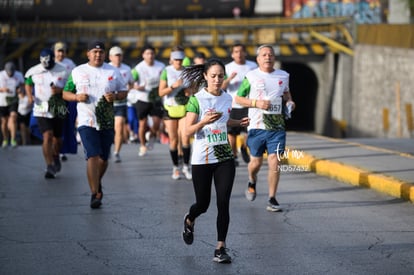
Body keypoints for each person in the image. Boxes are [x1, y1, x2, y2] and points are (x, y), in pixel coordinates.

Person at [180, 58, 249, 263]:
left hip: (224, 157)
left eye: (221, 76)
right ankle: (190, 218)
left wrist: (238, 121)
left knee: (223, 202)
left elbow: (224, 121)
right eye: (213, 76)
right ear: (205, 77)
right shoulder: (196, 99)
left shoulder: (227, 98)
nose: (218, 80)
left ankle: (220, 247)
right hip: (202, 159)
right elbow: (187, 131)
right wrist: (203, 121)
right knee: (203, 204)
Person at [62, 41, 127, 209]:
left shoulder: (113, 71)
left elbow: (124, 91)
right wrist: (76, 97)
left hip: (106, 121)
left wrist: (116, 96)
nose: (98, 54)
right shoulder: (78, 71)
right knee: (93, 156)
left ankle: (96, 181)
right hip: (86, 120)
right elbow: (65, 93)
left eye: (100, 52)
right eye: (94, 51)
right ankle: (95, 193)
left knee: (104, 159)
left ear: (105, 54)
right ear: (88, 54)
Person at [235, 44, 295, 212]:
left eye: (270, 54)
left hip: (277, 127)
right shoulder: (251, 76)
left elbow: (287, 95)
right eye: (264, 55)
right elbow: (239, 98)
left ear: (274, 58)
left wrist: (290, 103)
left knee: (275, 161)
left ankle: (272, 198)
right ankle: (252, 180)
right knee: (255, 163)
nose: (267, 57)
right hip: (256, 127)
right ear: (258, 59)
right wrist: (256, 103)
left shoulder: (283, 75)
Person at [25, 49, 70, 178]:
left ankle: (55, 156)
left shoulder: (63, 70)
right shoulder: (34, 71)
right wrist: (29, 96)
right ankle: (49, 166)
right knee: (47, 135)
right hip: (41, 108)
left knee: (58, 139)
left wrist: (60, 90)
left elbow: (71, 88)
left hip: (58, 107)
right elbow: (28, 83)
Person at [158, 46, 192, 180]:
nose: (178, 62)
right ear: (171, 59)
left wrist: (188, 91)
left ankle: (186, 167)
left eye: (180, 59)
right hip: (170, 108)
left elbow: (191, 91)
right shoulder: (166, 71)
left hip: (184, 109)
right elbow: (161, 92)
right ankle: (175, 168)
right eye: (176, 59)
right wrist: (174, 86)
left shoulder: (187, 71)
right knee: (173, 140)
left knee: (185, 137)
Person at [222, 43, 257, 166]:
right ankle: (234, 156)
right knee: (232, 134)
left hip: (249, 104)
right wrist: (229, 79)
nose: (239, 54)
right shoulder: (227, 68)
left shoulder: (252, 66)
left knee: (250, 131)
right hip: (233, 105)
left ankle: (243, 146)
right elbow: (221, 86)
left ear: (245, 53)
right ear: (232, 54)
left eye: (241, 51)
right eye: (236, 52)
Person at [131, 45, 165, 157]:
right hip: (142, 98)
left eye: (152, 53)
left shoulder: (161, 66)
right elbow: (131, 82)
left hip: (155, 98)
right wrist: (137, 87)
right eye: (147, 53)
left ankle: (151, 136)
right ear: (143, 55)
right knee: (143, 124)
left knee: (157, 123)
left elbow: (165, 80)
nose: (150, 56)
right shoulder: (138, 68)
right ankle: (142, 146)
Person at [108, 46, 134, 163]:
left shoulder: (127, 69)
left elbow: (131, 83)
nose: (118, 58)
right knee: (108, 128)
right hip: (107, 104)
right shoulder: (106, 68)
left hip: (121, 103)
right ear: (110, 57)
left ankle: (116, 152)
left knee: (118, 127)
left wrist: (126, 92)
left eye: (119, 55)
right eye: (115, 55)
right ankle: (107, 148)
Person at [53, 41, 77, 161]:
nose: (60, 54)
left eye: (63, 51)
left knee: (66, 124)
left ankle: (62, 150)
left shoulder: (70, 64)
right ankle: (54, 149)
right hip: (53, 99)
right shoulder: (49, 63)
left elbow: (75, 80)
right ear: (54, 52)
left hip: (66, 98)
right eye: (58, 51)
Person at [0, 62, 25, 148]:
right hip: (2, 101)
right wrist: (3, 89)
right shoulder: (1, 75)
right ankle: (5, 139)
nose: (10, 74)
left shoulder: (18, 74)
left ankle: (13, 139)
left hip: (13, 99)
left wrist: (20, 90)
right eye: (9, 73)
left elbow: (22, 85)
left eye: (12, 73)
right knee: (4, 121)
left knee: (13, 118)